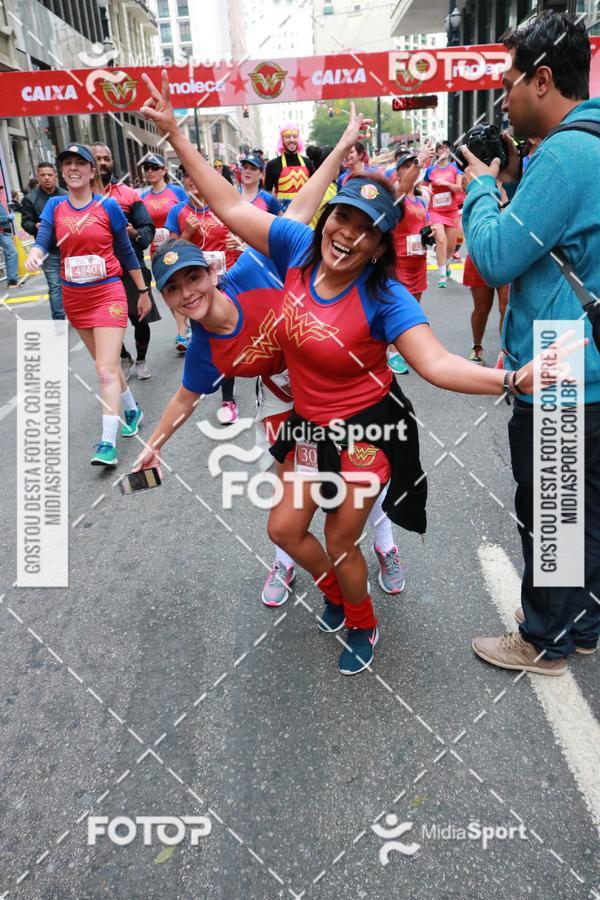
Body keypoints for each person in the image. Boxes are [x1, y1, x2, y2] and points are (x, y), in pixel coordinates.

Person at [140, 70, 579, 677]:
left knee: (343, 538)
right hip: (308, 428)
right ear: (329, 220)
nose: (348, 236)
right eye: (343, 219)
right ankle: (334, 593)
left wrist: (512, 381)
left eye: (367, 232)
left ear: (379, 248)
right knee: (284, 529)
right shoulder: (296, 252)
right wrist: (175, 137)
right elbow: (231, 203)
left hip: (370, 432)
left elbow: (436, 364)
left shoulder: (385, 296)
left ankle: (363, 621)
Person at [462, 11, 600, 675]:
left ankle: (543, 639)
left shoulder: (567, 158)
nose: (505, 97)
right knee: (585, 509)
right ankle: (583, 622)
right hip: (590, 361)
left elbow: (493, 257)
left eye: (509, 83)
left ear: (543, 80)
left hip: (559, 364)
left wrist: (481, 187)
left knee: (551, 513)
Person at [25, 143, 151, 467]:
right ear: (62, 171)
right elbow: (44, 240)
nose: (73, 168)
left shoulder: (107, 208)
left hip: (108, 293)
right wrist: (36, 254)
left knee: (104, 370)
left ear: (92, 171)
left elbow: (125, 251)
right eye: (67, 164)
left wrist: (142, 290)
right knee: (106, 367)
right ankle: (132, 409)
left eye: (80, 163)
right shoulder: (54, 206)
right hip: (75, 298)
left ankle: (107, 443)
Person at [166, 165, 243, 423]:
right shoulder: (178, 211)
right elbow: (169, 254)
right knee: (210, 340)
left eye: (196, 174)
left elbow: (244, 233)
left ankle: (228, 399)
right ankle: (199, 386)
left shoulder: (222, 205)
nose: (193, 180)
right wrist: (187, 233)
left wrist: (239, 243)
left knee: (225, 336)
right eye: (187, 175)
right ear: (184, 180)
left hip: (226, 279)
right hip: (197, 287)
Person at [91, 142, 160, 380]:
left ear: (112, 162)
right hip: (98, 274)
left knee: (140, 320)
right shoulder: (78, 197)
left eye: (106, 158)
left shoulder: (128, 195)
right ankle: (124, 357)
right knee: (105, 324)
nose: (102, 163)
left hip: (131, 270)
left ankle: (140, 360)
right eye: (96, 158)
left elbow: (147, 230)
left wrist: (134, 234)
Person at [389, 150, 433, 375]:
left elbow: (424, 224)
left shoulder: (422, 197)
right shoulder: (397, 196)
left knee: (414, 307)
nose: (410, 169)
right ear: (398, 173)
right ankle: (393, 352)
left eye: (412, 165)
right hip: (399, 262)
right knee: (399, 306)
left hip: (419, 260)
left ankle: (405, 348)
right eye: (405, 166)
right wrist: (420, 160)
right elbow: (403, 186)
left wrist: (430, 233)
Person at [139, 152, 188, 351]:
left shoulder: (177, 192)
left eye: (155, 167)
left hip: (179, 246)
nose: (150, 171)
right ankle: (183, 327)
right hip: (156, 251)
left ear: (164, 171)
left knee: (183, 285)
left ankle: (182, 331)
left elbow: (189, 211)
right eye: (147, 168)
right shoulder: (142, 197)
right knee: (168, 289)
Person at [21, 162, 67, 315]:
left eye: (50, 174)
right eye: (43, 175)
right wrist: (35, 226)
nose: (46, 178)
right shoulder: (30, 198)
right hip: (48, 250)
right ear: (38, 177)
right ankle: (59, 322)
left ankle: (77, 314)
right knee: (55, 286)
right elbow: (25, 222)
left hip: (70, 249)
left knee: (76, 284)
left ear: (55, 176)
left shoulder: (65, 195)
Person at [424, 140, 462, 288]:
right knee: (441, 240)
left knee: (451, 246)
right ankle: (441, 275)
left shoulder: (454, 168)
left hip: (451, 211)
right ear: (437, 152)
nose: (443, 150)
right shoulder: (430, 170)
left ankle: (445, 263)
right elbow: (422, 187)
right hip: (435, 211)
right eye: (440, 148)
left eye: (446, 147)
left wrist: (444, 184)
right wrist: (427, 190)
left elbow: (459, 188)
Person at [463, 253, 509, 365]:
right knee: (481, 309)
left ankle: (505, 351)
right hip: (480, 259)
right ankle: (476, 347)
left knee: (506, 308)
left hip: (507, 259)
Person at [263, 123, 315, 212]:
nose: (292, 140)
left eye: (295, 136)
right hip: (282, 213)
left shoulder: (308, 163)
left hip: (305, 210)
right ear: (281, 140)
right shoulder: (272, 165)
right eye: (287, 137)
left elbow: (315, 188)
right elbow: (267, 193)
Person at [0, 194, 19, 287]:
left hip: (4, 232)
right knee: (12, 253)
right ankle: (12, 280)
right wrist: (8, 218)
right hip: (1, 232)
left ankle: (11, 280)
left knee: (9, 254)